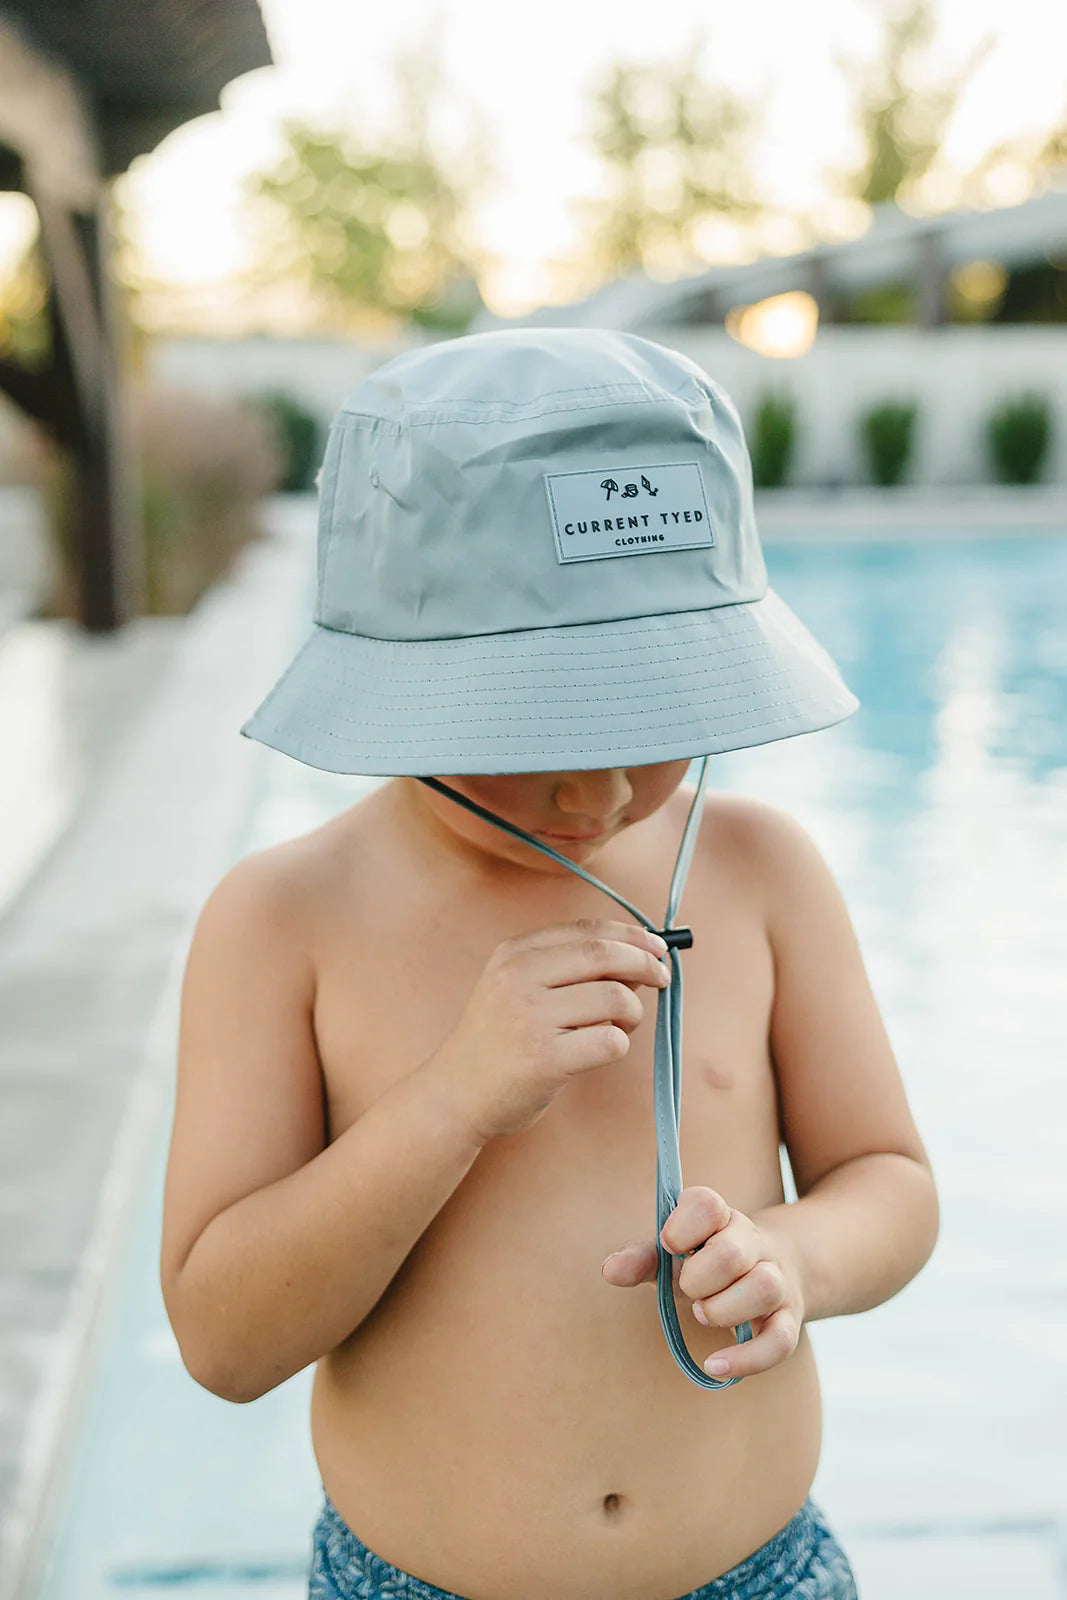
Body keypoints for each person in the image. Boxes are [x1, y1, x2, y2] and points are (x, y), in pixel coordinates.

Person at [159, 327, 940, 1600]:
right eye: (548, 721)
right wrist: (453, 1097)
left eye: (658, 716)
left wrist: (800, 1255)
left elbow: (891, 1180)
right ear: (404, 681)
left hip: (762, 1568)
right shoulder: (284, 918)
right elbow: (222, 1339)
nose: (607, 786)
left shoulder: (756, 870)